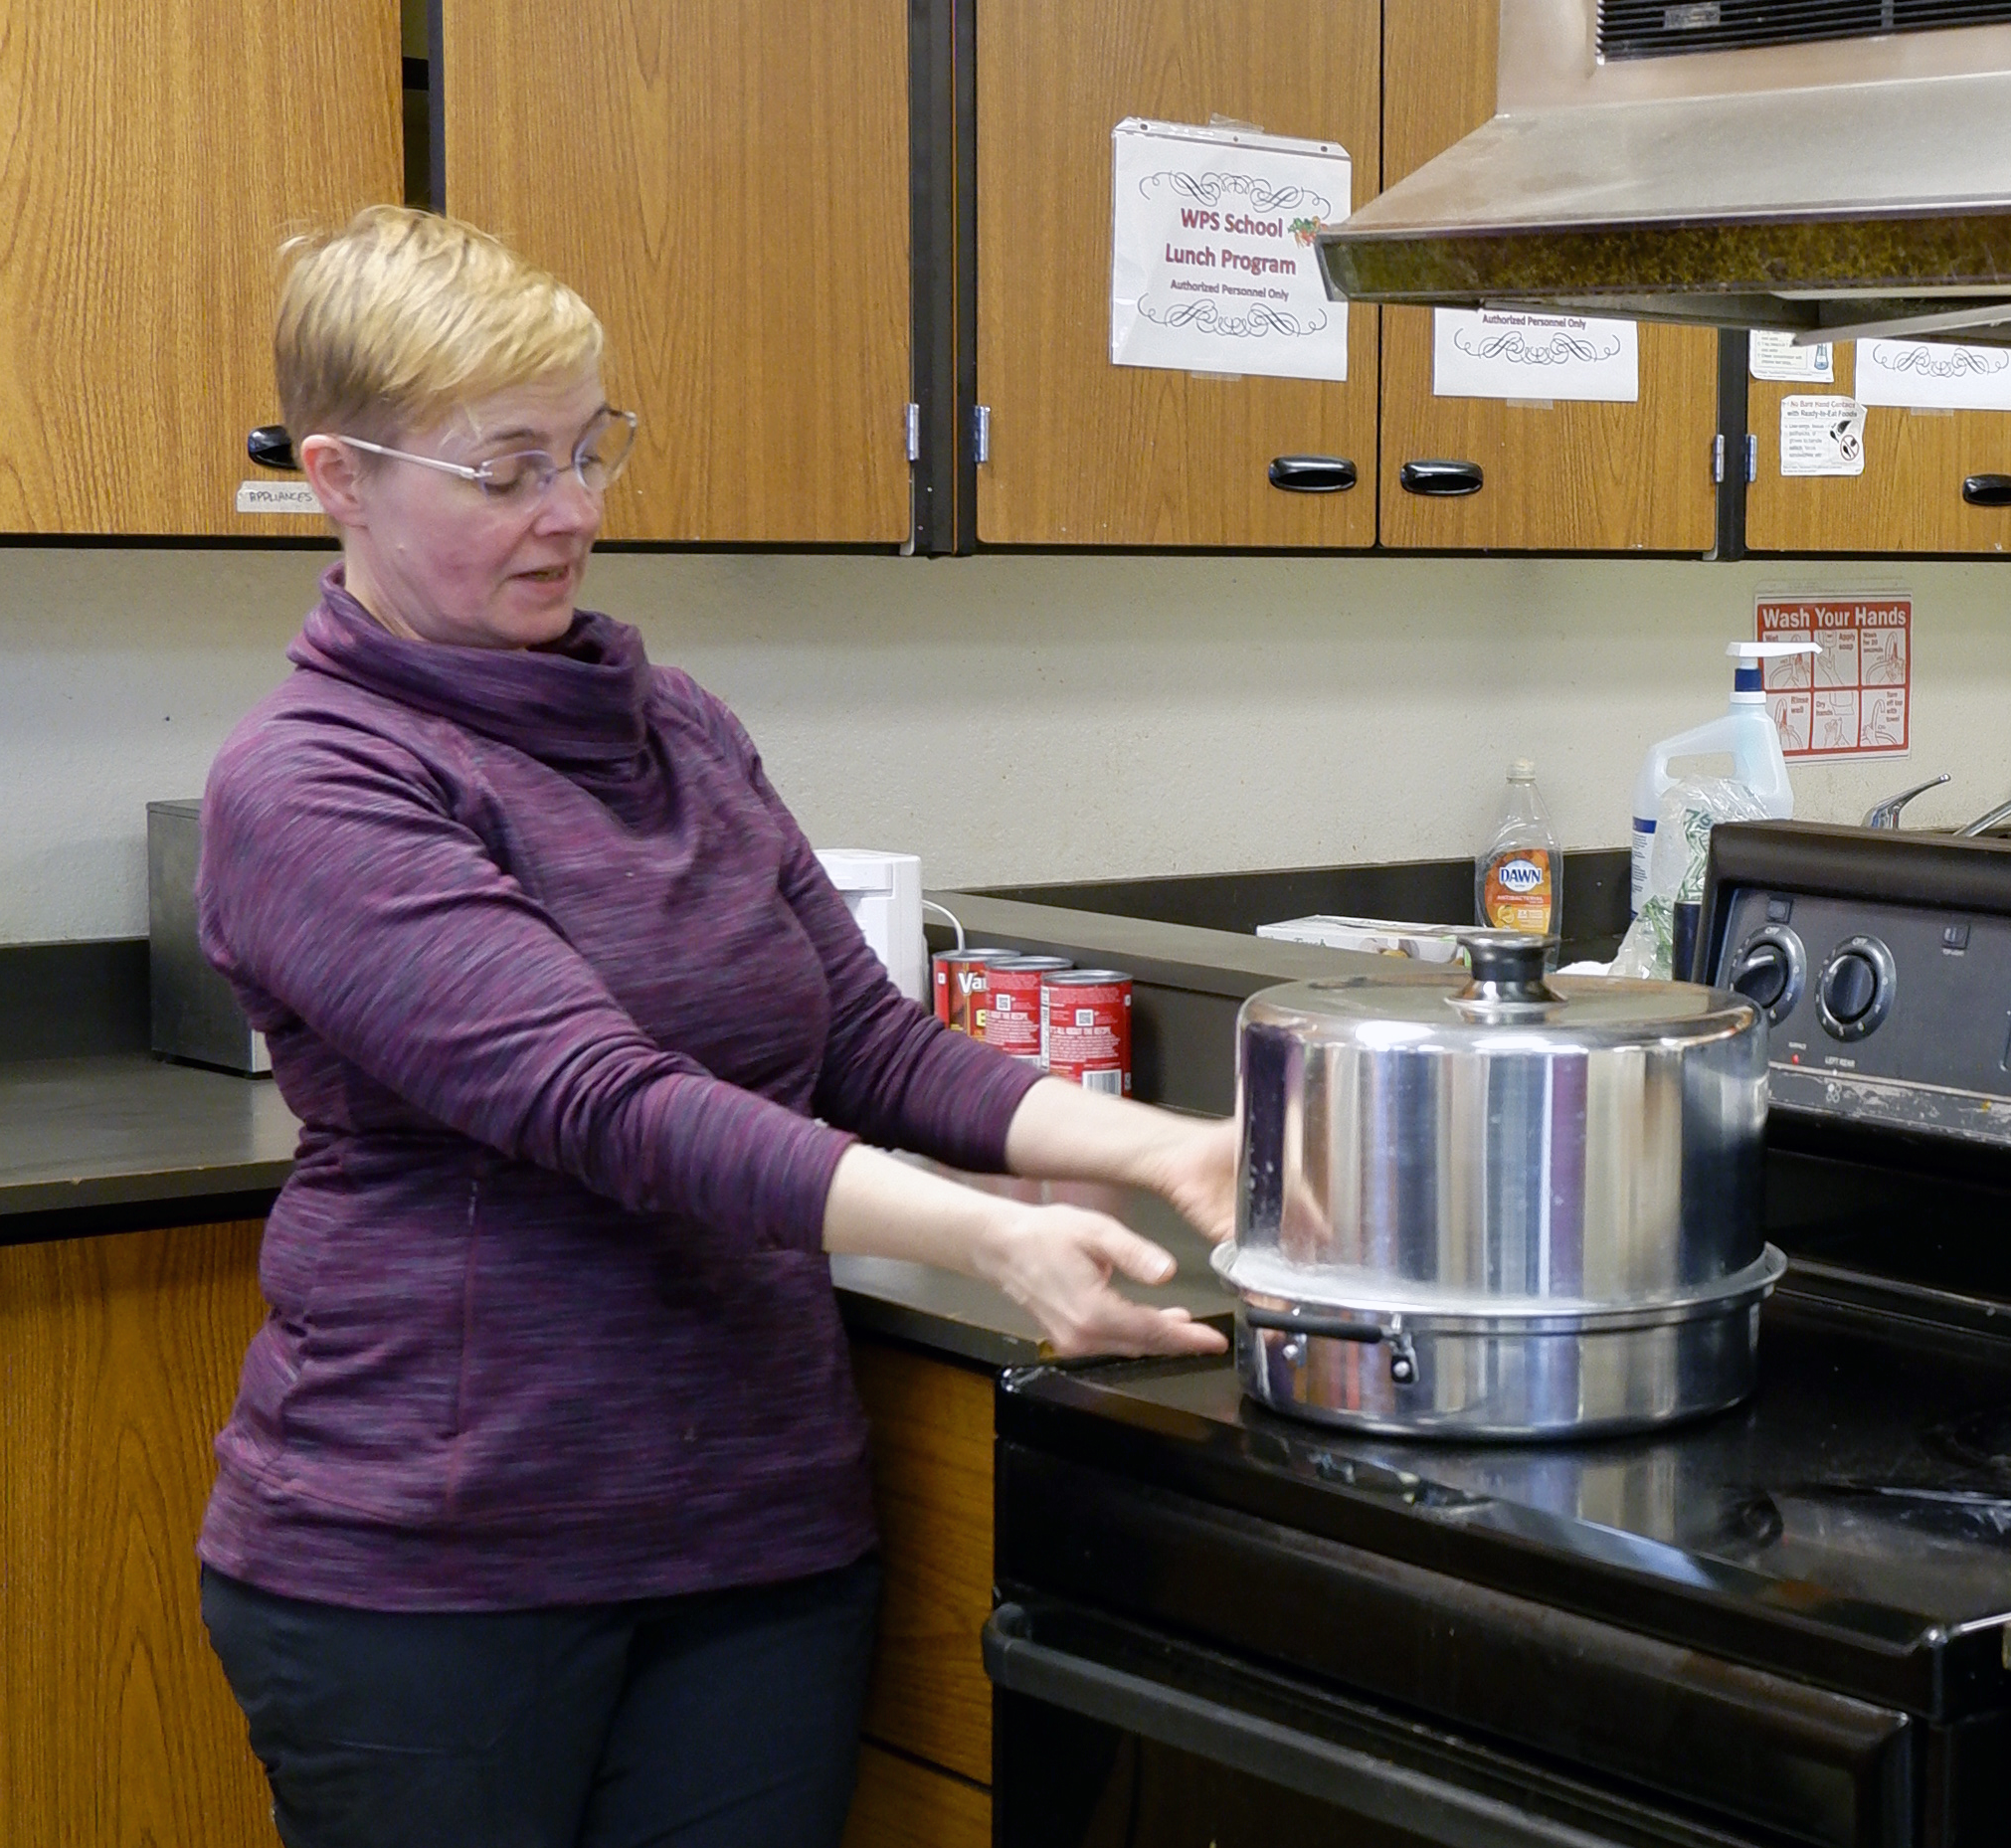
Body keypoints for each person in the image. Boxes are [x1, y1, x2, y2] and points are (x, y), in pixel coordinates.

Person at [193, 205, 1237, 1848]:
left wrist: (1167, 1148)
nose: (574, 510)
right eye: (507, 470)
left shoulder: (675, 723)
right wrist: (987, 1238)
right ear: (341, 479)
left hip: (758, 1536)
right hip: (442, 1570)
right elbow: (611, 1102)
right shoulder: (313, 780)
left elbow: (865, 1047)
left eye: (588, 447)